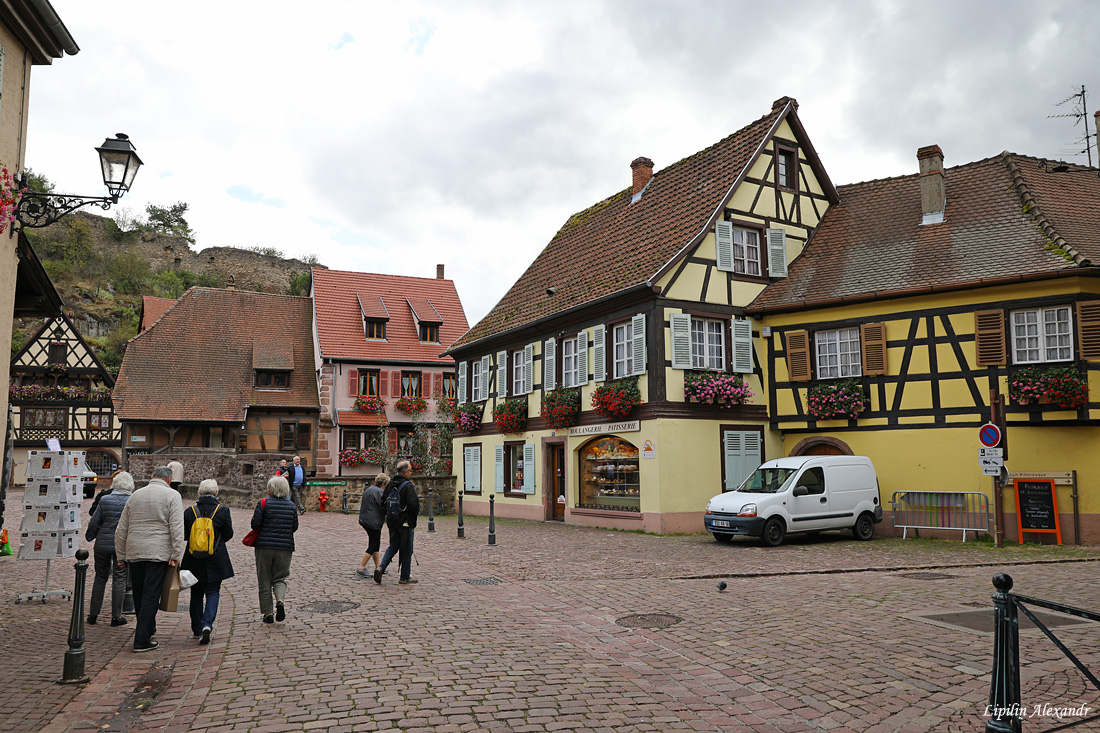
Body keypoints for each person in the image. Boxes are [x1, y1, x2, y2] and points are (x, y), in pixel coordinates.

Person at [114, 466, 185, 653]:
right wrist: (176, 555)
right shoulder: (172, 496)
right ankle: (141, 639)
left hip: (135, 550)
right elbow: (177, 528)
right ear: (169, 480)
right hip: (158, 552)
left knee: (139, 593)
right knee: (151, 595)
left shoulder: (135, 495)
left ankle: (147, 628)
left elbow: (121, 529)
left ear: (152, 476)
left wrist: (121, 554)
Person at [181, 479, 234, 645]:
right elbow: (229, 533)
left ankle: (197, 629)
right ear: (216, 493)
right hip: (215, 557)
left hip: (193, 557)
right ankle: (207, 624)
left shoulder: (190, 511)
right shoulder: (222, 510)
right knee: (213, 592)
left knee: (196, 593)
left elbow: (184, 535)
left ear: (199, 492)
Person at [85, 471, 134, 627]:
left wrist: (94, 535)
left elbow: (93, 522)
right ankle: (116, 616)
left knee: (100, 577)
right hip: (122, 545)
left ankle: (93, 614)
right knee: (120, 579)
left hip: (102, 544)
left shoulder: (105, 499)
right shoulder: (132, 501)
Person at [251, 475, 298, 624]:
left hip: (264, 546)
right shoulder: (291, 506)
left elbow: (254, 524)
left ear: (271, 489)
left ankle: (268, 613)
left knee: (264, 579)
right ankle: (280, 601)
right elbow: (294, 527)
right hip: (285, 547)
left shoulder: (263, 503)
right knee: (280, 578)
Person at [375, 460, 420, 585]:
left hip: (392, 521)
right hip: (405, 522)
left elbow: (383, 502)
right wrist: (411, 519)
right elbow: (413, 505)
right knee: (406, 548)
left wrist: (390, 515)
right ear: (405, 472)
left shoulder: (390, 484)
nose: (411, 473)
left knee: (393, 545)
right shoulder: (407, 485)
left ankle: (381, 567)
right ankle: (405, 576)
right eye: (410, 470)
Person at [356, 473, 388, 578]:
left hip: (365, 520)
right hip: (373, 521)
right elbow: (383, 506)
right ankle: (361, 567)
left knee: (375, 544)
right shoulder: (380, 492)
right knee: (373, 544)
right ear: (383, 484)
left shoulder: (369, 489)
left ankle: (379, 567)